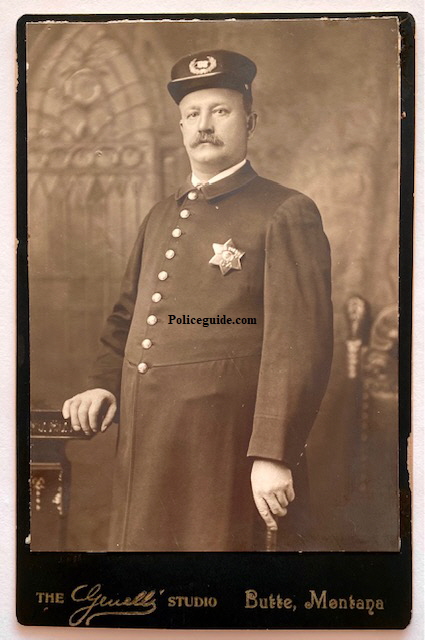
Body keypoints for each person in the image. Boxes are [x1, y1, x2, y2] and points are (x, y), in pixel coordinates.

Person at [62, 49, 333, 552]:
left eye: (220, 111)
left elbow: (298, 344)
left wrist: (274, 454)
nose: (203, 125)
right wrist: (104, 386)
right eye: (192, 114)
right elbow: (128, 316)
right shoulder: (161, 215)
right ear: (181, 127)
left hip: (227, 451)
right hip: (148, 444)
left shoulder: (284, 210)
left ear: (250, 121)